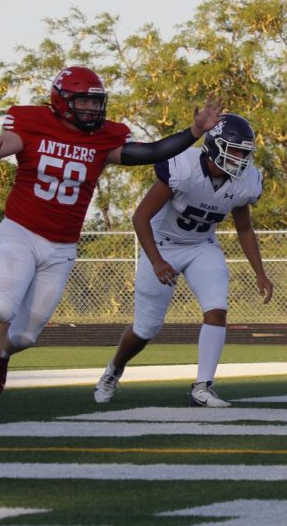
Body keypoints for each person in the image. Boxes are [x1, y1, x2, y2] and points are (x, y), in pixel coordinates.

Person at [0, 66, 223, 424]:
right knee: (2, 308)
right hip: (20, 231)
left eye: (94, 102)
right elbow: (7, 144)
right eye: (83, 100)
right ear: (61, 100)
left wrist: (194, 131)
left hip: (61, 247)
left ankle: (1, 357)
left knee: (24, 335)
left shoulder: (102, 138)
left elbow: (150, 152)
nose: (90, 109)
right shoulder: (32, 121)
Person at [93, 113, 273, 408]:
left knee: (217, 310)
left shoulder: (245, 181)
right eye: (235, 150)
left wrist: (260, 273)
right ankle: (114, 369)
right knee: (146, 329)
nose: (241, 158)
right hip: (162, 245)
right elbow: (141, 217)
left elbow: (244, 228)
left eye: (245, 152)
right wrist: (156, 261)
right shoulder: (184, 165)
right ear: (215, 145)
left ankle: (203, 388)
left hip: (202, 246)